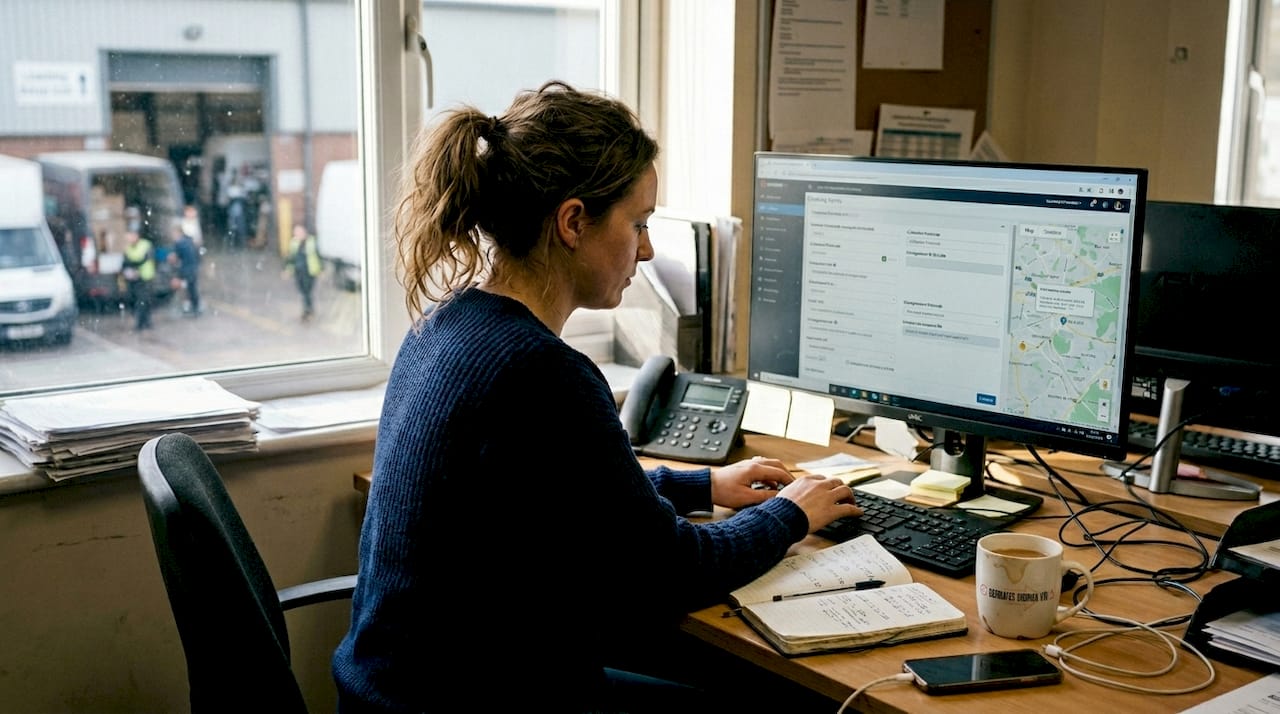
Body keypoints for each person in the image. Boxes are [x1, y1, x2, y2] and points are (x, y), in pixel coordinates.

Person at [330, 80, 863, 713]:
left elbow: (571, 494)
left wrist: (701, 487)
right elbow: (674, 571)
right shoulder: (542, 372)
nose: (647, 248)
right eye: (638, 223)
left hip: (393, 693)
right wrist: (793, 512)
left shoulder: (443, 328)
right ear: (573, 221)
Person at [284, 223, 322, 320]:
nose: (297, 234)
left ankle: (307, 311)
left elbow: (318, 256)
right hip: (298, 272)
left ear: (304, 232)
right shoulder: (294, 243)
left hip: (309, 272)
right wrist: (287, 270)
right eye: (296, 232)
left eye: (299, 232)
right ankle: (309, 309)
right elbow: (291, 258)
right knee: (302, 291)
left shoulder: (311, 242)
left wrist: (321, 270)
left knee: (307, 292)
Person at [121, 229, 155, 331]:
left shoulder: (146, 245)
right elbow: (125, 262)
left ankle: (142, 323)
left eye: (131, 236)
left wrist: (133, 266)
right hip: (134, 279)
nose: (130, 239)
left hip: (145, 277)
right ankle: (144, 322)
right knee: (138, 300)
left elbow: (144, 259)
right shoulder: (128, 248)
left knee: (144, 300)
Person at [170, 221, 203, 315]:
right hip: (193, 268)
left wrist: (172, 259)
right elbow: (197, 254)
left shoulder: (179, 243)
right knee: (192, 288)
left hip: (186, 269)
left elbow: (176, 258)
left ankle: (190, 307)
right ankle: (195, 307)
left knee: (187, 289)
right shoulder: (189, 240)